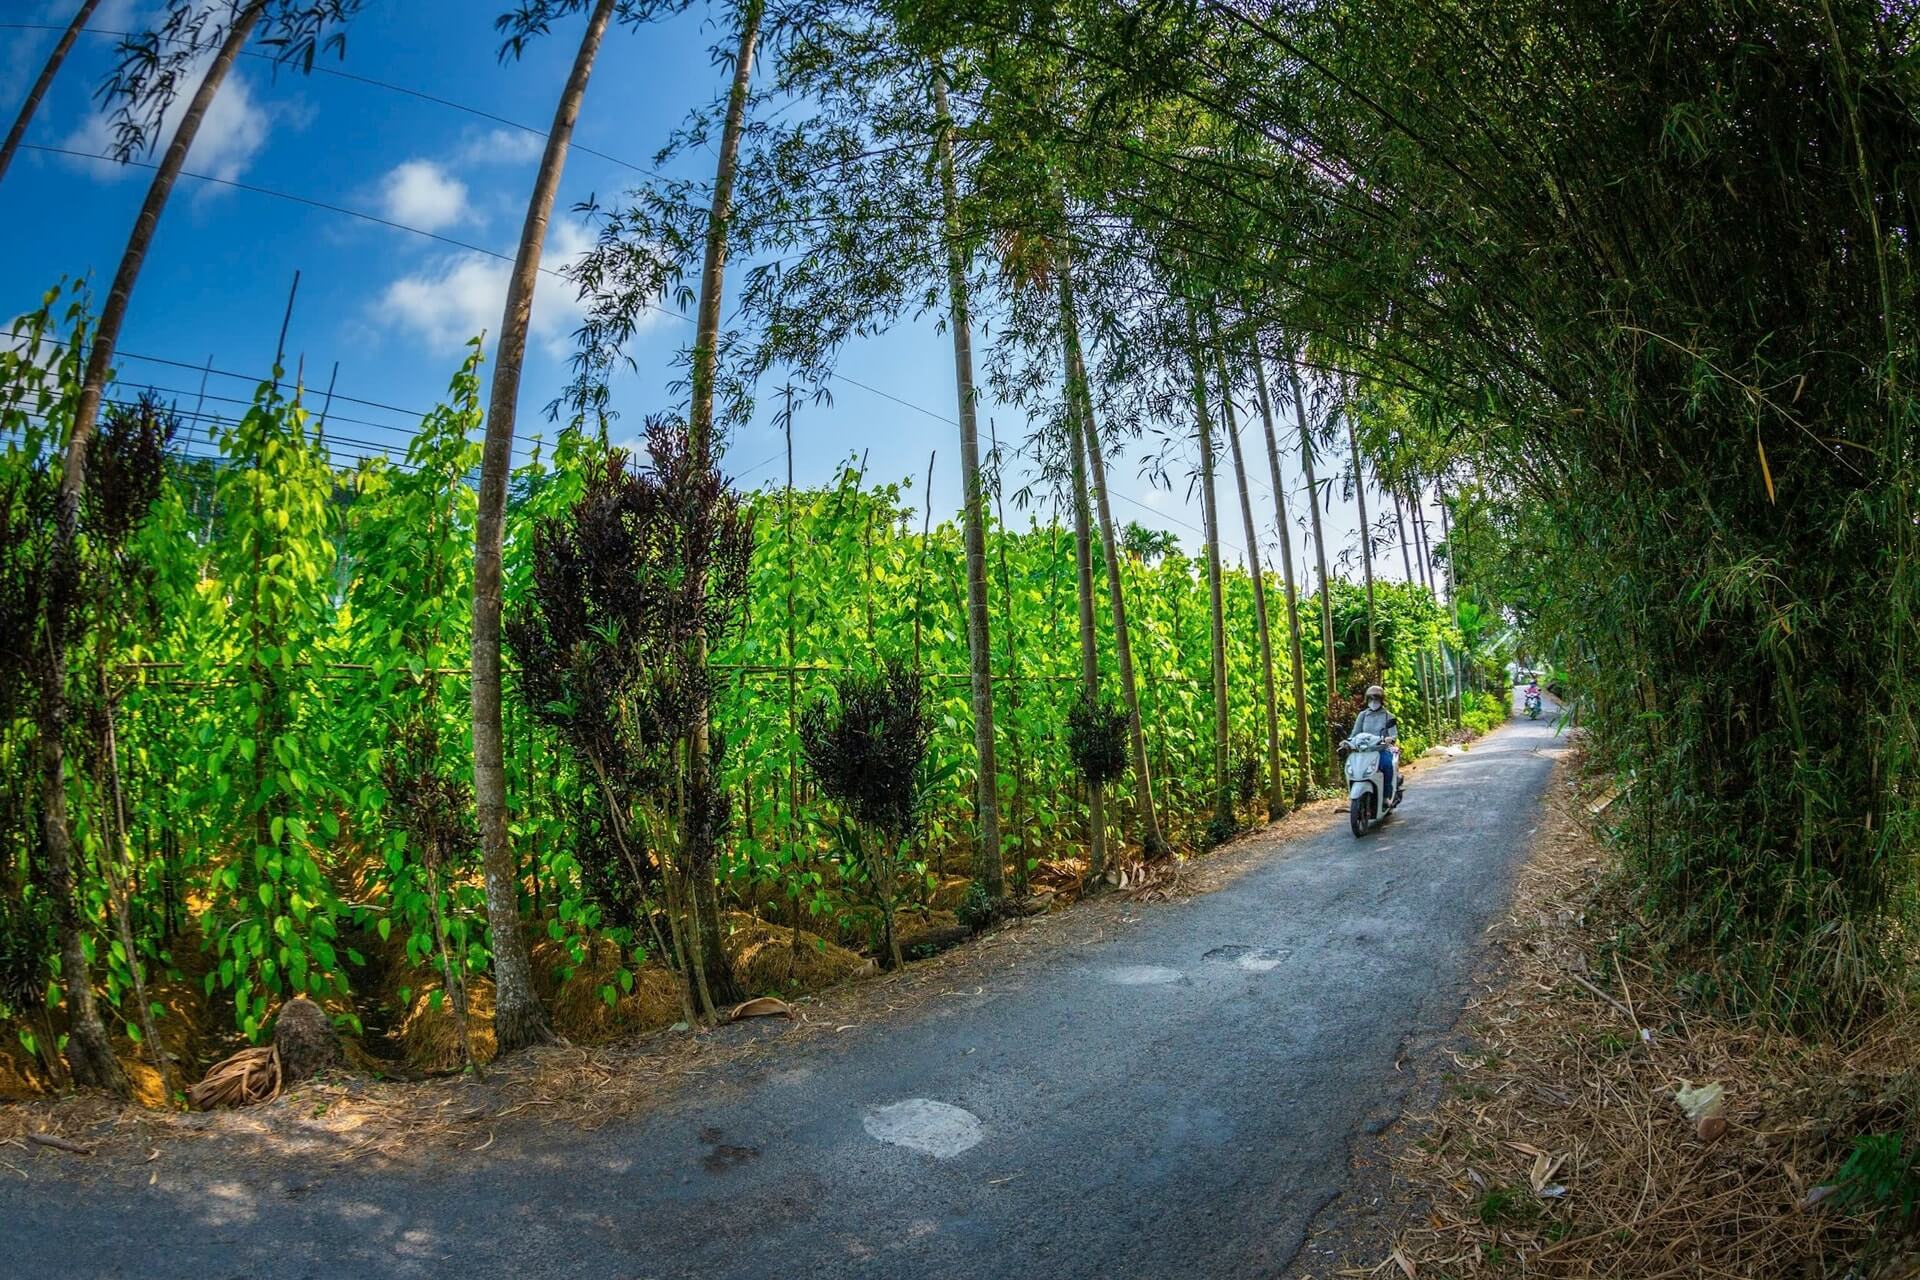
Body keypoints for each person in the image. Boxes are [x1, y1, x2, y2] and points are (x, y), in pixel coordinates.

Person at [1350, 684, 1399, 804]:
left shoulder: (1388, 716)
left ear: (1381, 700)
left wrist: (1390, 739)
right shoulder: (1362, 715)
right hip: (1364, 751)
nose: (1373, 701)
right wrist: (1347, 742)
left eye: (1376, 698)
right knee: (1352, 769)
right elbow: (1355, 733)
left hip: (1381, 750)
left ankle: (1386, 796)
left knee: (1387, 765)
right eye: (1371, 698)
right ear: (1367, 700)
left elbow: (1393, 735)